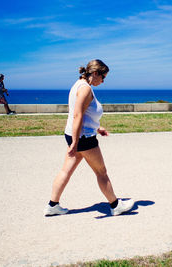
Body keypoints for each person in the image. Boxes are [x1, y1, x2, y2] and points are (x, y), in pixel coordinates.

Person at [44, 59, 134, 216]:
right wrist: (75, 142)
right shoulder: (85, 89)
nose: (103, 81)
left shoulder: (78, 85)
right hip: (83, 138)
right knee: (101, 172)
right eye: (103, 77)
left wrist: (97, 128)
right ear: (94, 73)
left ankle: (53, 205)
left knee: (66, 171)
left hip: (76, 135)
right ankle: (115, 205)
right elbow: (77, 115)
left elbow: (83, 114)